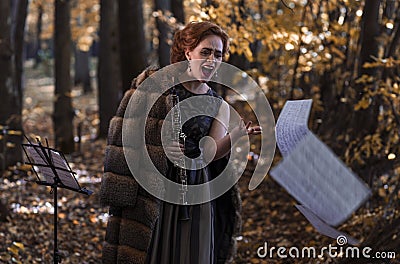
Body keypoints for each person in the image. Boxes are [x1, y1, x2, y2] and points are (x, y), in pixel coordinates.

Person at [100, 21, 261, 264]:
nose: (212, 60)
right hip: (157, 189)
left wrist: (236, 135)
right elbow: (124, 136)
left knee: (192, 252)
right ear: (188, 53)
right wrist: (160, 148)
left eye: (218, 54)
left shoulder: (218, 104)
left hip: (197, 189)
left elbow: (211, 153)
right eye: (205, 52)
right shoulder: (155, 88)